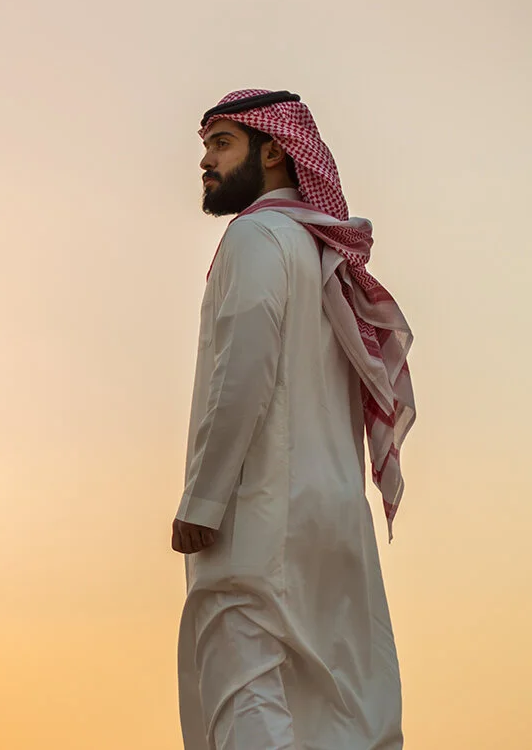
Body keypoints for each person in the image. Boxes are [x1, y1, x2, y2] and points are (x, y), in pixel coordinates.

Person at [174, 89, 415, 750]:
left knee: (243, 687)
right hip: (333, 516)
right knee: (337, 705)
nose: (206, 161)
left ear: (274, 150)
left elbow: (242, 369)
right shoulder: (320, 256)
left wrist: (204, 500)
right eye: (204, 148)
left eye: (221, 144)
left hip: (259, 514)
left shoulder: (256, 236)